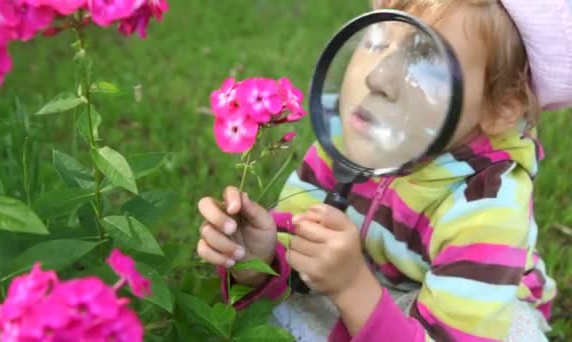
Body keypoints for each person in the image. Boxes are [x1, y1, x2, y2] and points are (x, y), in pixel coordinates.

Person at [196, 0, 572, 340]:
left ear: (500, 106)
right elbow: (301, 263)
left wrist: (351, 288)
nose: (378, 78)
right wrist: (260, 259)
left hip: (474, 319)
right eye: (377, 41)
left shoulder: (487, 206)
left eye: (425, 63)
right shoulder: (346, 140)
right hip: (374, 283)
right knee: (291, 305)